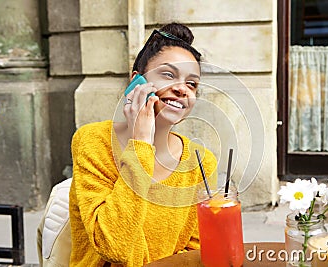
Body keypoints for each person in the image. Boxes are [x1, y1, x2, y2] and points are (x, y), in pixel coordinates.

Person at [69, 22, 218, 266]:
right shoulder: (93, 141)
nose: (182, 89)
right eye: (168, 75)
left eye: (192, 84)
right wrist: (140, 144)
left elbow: (195, 250)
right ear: (136, 82)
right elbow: (113, 246)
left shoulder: (201, 162)